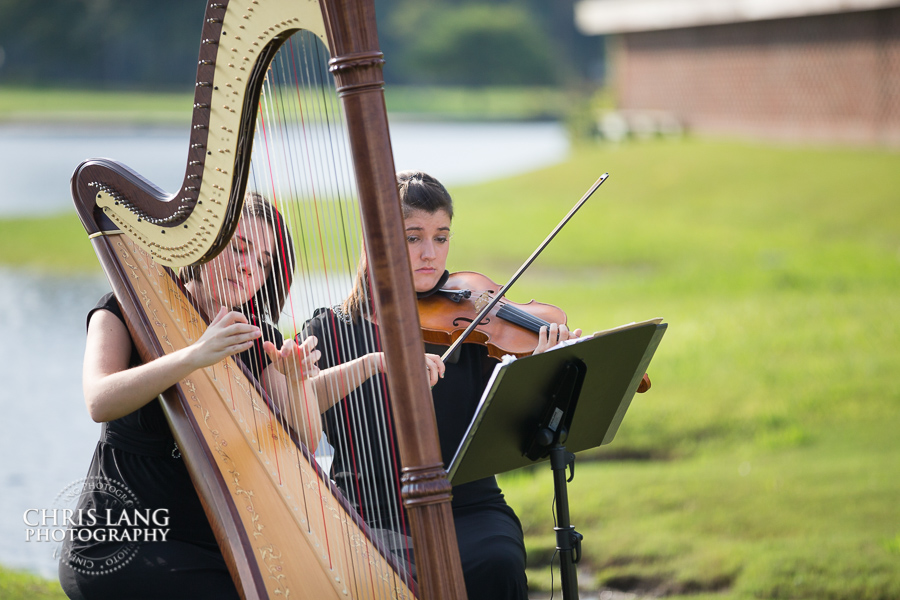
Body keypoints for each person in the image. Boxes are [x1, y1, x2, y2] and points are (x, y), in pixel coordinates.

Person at [58, 193, 385, 599]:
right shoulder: (124, 309)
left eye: (264, 261)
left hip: (221, 545)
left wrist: (296, 381)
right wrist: (194, 356)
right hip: (121, 540)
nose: (249, 266)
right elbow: (99, 400)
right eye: (240, 248)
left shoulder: (256, 336)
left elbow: (307, 437)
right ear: (205, 244)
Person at [302, 170, 581, 600]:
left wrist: (545, 371)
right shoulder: (331, 329)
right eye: (413, 237)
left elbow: (521, 428)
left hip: (467, 505)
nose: (430, 253)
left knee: (497, 562)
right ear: (376, 239)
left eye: (441, 236)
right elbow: (296, 408)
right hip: (369, 513)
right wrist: (372, 364)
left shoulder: (471, 326)